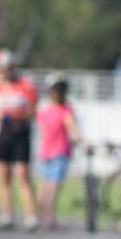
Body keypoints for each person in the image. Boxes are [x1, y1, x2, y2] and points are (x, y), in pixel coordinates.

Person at [0, 48, 39, 231]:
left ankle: (31, 216)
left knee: (23, 174)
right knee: (4, 175)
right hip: (4, 133)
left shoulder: (26, 85)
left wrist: (17, 115)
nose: (2, 72)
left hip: (20, 133)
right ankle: (7, 214)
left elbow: (32, 110)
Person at [35, 75, 84, 230]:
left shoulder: (46, 111)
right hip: (54, 154)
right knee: (50, 188)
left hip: (52, 153)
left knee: (46, 187)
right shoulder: (60, 110)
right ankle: (47, 218)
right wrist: (82, 141)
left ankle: (42, 217)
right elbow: (73, 129)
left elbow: (72, 129)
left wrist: (80, 140)